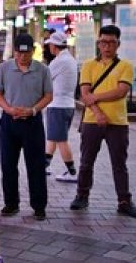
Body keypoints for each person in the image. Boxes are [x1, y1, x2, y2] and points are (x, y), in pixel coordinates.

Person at [70, 25, 136, 218]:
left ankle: (124, 201)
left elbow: (122, 91)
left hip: (118, 123)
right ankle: (81, 196)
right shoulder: (88, 65)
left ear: (118, 44)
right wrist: (98, 112)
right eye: (103, 42)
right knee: (86, 162)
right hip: (92, 121)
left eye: (111, 42)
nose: (107, 47)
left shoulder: (125, 65)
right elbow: (84, 95)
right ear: (98, 43)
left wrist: (95, 97)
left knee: (120, 164)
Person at [0, 33, 53, 220]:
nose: (22, 57)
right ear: (14, 51)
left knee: (36, 165)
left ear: (33, 52)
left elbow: (48, 95)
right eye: (19, 53)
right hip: (9, 122)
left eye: (26, 54)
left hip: (32, 123)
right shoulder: (4, 68)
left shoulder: (42, 70)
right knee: (8, 165)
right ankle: (11, 203)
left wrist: (33, 110)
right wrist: (9, 110)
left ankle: (39, 206)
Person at [43, 32, 78, 181]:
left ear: (54, 45)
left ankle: (71, 172)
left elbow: (44, 79)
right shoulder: (70, 59)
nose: (49, 47)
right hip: (68, 105)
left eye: (50, 44)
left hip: (58, 105)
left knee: (60, 139)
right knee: (53, 137)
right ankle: (43, 166)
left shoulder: (59, 61)